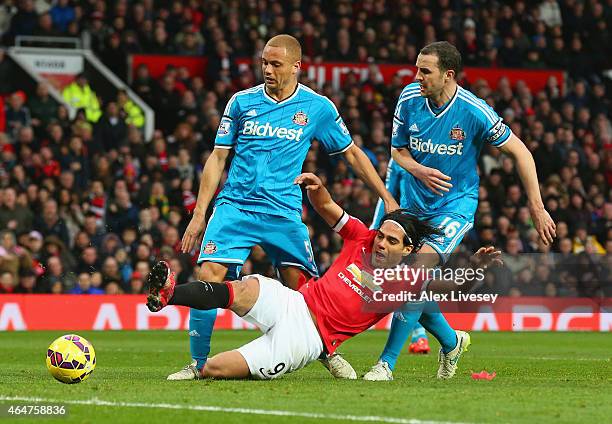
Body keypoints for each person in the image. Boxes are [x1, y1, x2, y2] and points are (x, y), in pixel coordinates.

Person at [170, 34, 398, 381]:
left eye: (275, 64)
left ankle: (326, 349)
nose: (267, 70)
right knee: (209, 275)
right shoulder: (241, 102)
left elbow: (352, 153)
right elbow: (218, 157)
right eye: (264, 62)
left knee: (301, 287)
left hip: (283, 213)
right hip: (235, 208)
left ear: (296, 66)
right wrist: (199, 215)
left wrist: (387, 198)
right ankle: (198, 363)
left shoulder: (317, 107)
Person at [146, 173, 497, 380]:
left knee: (215, 371)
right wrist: (316, 189)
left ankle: (437, 348)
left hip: (307, 341)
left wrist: (475, 271)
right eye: (381, 236)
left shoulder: (407, 281)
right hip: (294, 302)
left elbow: (441, 289)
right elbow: (330, 210)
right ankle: (169, 293)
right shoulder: (362, 236)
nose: (381, 243)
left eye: (391, 240)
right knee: (240, 288)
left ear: (407, 250)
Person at [364, 41, 556, 380]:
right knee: (409, 285)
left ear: (448, 75)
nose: (417, 76)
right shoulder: (409, 99)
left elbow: (521, 152)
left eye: (425, 71)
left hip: (453, 207)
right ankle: (452, 343)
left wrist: (536, 207)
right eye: (417, 69)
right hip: (412, 206)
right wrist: (419, 170)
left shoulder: (473, 110)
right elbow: (397, 152)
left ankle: (386, 365)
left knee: (413, 277)